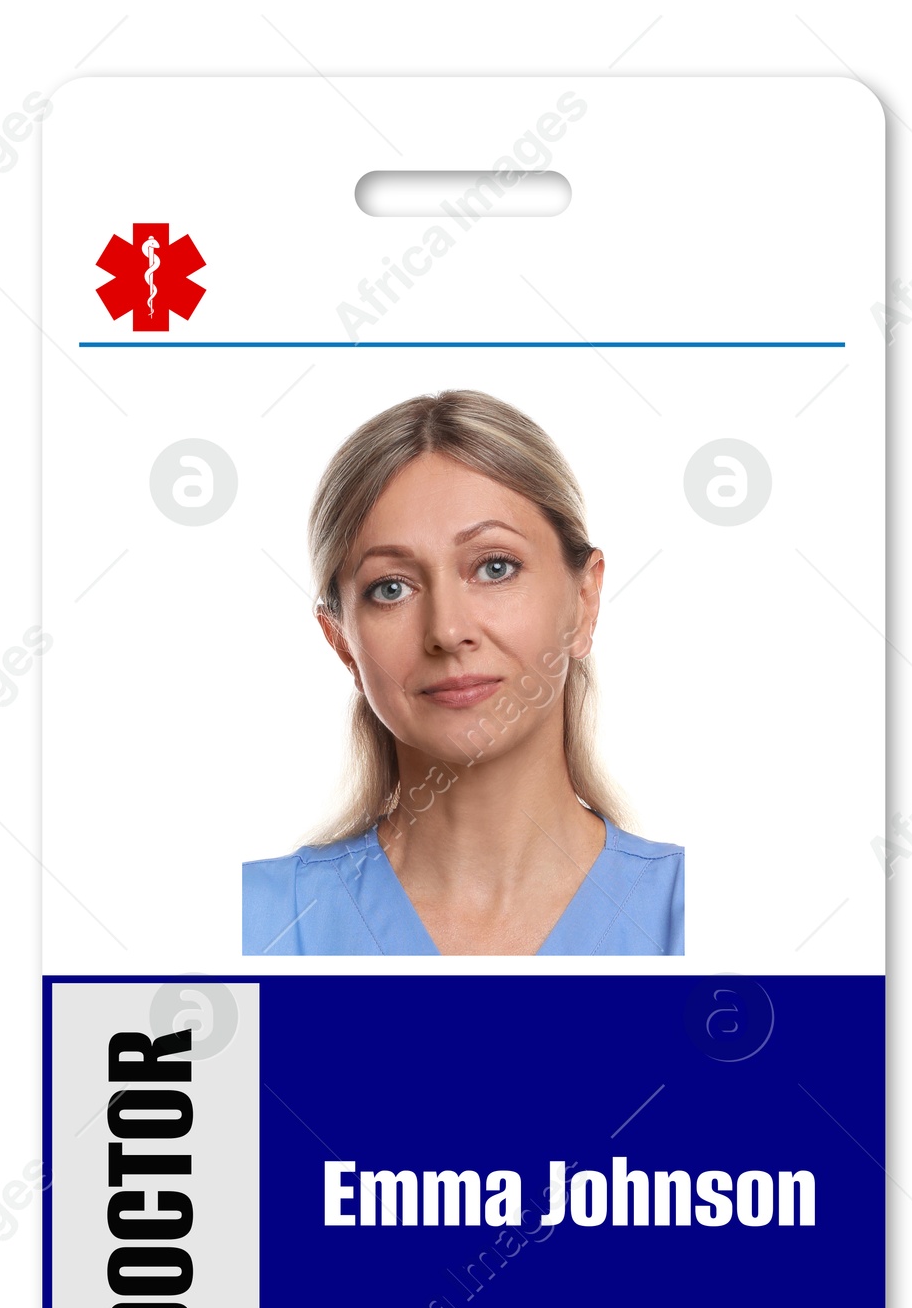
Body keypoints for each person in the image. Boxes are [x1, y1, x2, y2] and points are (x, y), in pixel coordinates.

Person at [242, 389, 683, 956]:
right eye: (391, 588)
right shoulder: (249, 924)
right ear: (342, 642)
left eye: (495, 567)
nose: (448, 631)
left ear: (583, 599)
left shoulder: (701, 914)